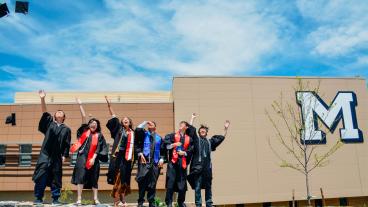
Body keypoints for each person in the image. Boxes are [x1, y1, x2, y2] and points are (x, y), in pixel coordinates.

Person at [32, 90, 71, 205]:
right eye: (57, 112)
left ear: (64, 117)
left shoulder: (66, 129)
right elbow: (45, 112)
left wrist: (64, 155)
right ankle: (38, 198)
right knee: (41, 175)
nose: (59, 113)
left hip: (57, 156)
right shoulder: (50, 124)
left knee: (56, 177)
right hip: (45, 154)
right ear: (55, 116)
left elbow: (67, 144)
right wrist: (42, 98)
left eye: (61, 112)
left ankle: (55, 199)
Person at [187, 113, 230, 207]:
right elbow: (190, 129)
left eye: (204, 130)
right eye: (201, 130)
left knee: (208, 187)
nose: (202, 131)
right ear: (198, 132)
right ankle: (198, 204)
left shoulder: (210, 142)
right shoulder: (196, 140)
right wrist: (192, 118)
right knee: (198, 187)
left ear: (206, 132)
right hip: (197, 168)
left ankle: (209, 203)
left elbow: (221, 138)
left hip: (207, 169)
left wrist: (225, 129)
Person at [70, 98, 108, 205]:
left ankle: (95, 199)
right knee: (80, 177)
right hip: (82, 157)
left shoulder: (99, 135)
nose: (93, 124)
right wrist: (80, 105)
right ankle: (79, 199)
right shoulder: (84, 132)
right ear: (88, 125)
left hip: (93, 159)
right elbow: (83, 117)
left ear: (97, 126)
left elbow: (99, 147)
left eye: (95, 123)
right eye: (91, 122)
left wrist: (93, 158)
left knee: (94, 178)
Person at [105, 96, 136, 207]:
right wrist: (109, 105)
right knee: (117, 178)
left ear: (130, 122)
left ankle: (122, 200)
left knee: (124, 179)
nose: (125, 120)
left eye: (127, 120)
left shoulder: (133, 133)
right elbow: (114, 117)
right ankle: (117, 201)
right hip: (117, 158)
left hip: (127, 159)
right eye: (123, 120)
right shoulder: (119, 130)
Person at [135, 121, 166, 207]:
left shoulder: (159, 138)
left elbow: (163, 151)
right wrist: (140, 153)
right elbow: (138, 130)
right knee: (142, 182)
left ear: (155, 127)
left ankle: (151, 202)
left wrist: (162, 159)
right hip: (144, 163)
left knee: (153, 183)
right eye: (148, 124)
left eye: (151, 124)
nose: (149, 125)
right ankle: (140, 202)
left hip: (155, 164)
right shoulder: (143, 135)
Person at [164, 119, 194, 207]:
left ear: (186, 127)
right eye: (180, 124)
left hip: (183, 162)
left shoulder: (189, 139)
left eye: (183, 124)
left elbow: (191, 150)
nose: (181, 125)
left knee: (182, 184)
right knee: (170, 182)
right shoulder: (172, 136)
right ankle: (168, 202)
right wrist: (174, 144)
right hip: (173, 162)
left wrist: (184, 153)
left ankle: (181, 202)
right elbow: (166, 146)